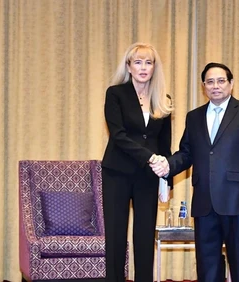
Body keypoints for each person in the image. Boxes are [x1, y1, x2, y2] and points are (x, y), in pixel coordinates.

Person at [151, 62, 239, 282]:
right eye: (210, 82)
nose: (216, 86)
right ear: (203, 86)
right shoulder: (194, 117)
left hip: (238, 202)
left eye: (221, 81)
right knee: (207, 267)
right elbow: (186, 153)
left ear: (231, 84)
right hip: (204, 202)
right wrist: (167, 166)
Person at [101, 42, 173, 282]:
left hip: (148, 176)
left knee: (144, 236)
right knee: (116, 235)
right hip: (117, 173)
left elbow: (165, 144)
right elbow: (118, 135)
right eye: (138, 62)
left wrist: (167, 176)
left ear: (154, 67)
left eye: (149, 62)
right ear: (129, 67)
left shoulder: (163, 98)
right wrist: (150, 157)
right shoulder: (116, 93)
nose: (143, 68)